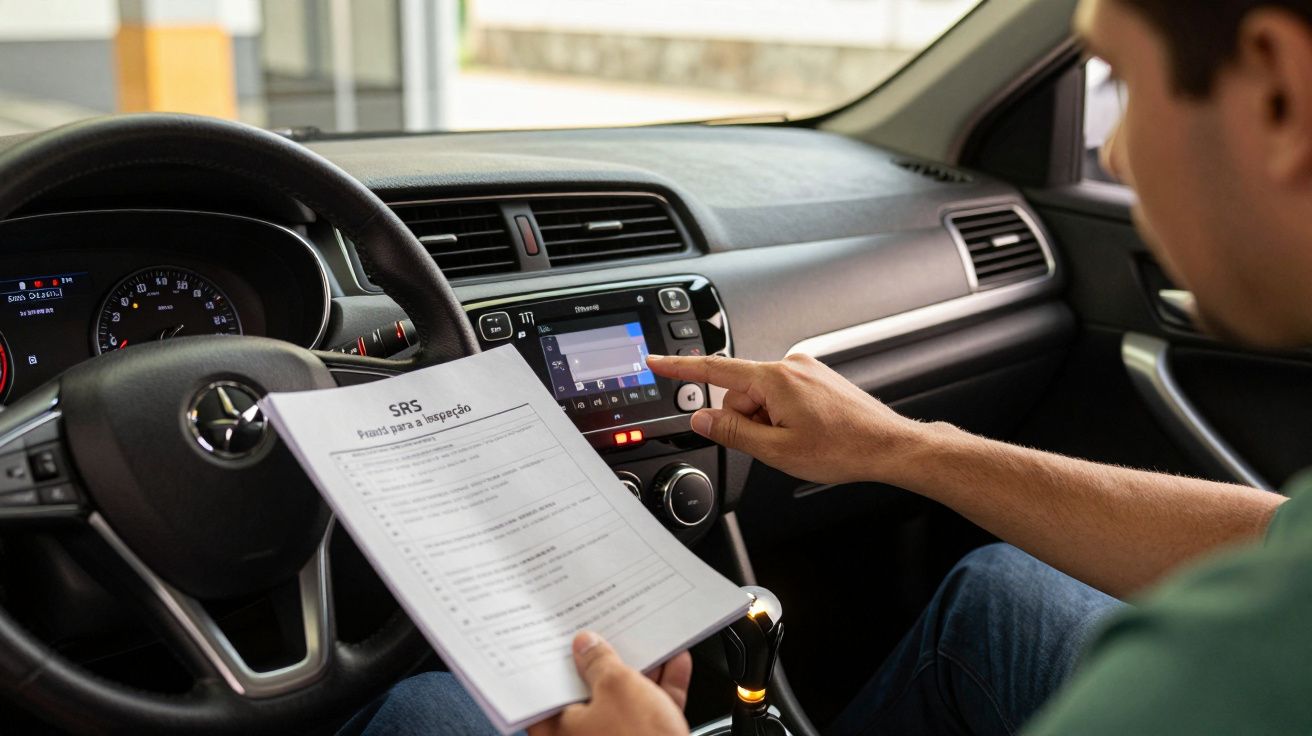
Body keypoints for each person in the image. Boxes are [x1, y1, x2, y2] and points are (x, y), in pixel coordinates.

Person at [341, 0, 1312, 732]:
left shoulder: (1215, 678)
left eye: (1121, 87)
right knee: (994, 595)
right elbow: (1281, 541)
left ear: (1277, 91)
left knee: (435, 711)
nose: (1116, 150)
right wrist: (907, 449)